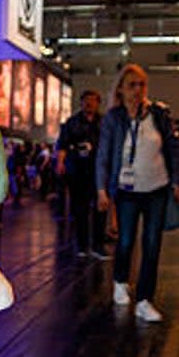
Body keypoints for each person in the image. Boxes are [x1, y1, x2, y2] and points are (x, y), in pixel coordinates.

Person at [96, 64, 179, 322]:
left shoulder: (159, 114)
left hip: (156, 188)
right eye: (131, 85)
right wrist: (102, 190)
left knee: (152, 244)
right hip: (126, 191)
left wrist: (178, 182)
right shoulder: (114, 118)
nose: (137, 90)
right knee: (125, 241)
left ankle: (145, 300)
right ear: (121, 90)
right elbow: (103, 155)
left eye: (141, 85)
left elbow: (174, 149)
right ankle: (120, 279)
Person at [55, 89, 108, 259]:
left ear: (98, 103)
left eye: (93, 100)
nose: (89, 104)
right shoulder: (72, 122)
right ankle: (82, 246)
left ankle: (99, 246)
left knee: (100, 210)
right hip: (77, 171)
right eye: (86, 100)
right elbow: (63, 144)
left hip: (99, 172)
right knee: (80, 210)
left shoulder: (104, 122)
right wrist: (60, 163)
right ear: (81, 102)